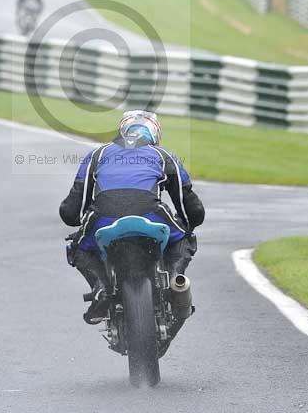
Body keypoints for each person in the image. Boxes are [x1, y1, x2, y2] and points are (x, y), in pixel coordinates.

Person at [60, 110, 205, 324]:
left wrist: (80, 222)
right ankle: (176, 280)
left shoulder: (98, 154)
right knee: (184, 237)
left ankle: (100, 287)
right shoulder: (163, 156)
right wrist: (187, 224)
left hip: (104, 216)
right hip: (151, 213)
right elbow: (189, 206)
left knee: (77, 246)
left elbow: (72, 211)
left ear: (122, 130)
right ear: (155, 134)